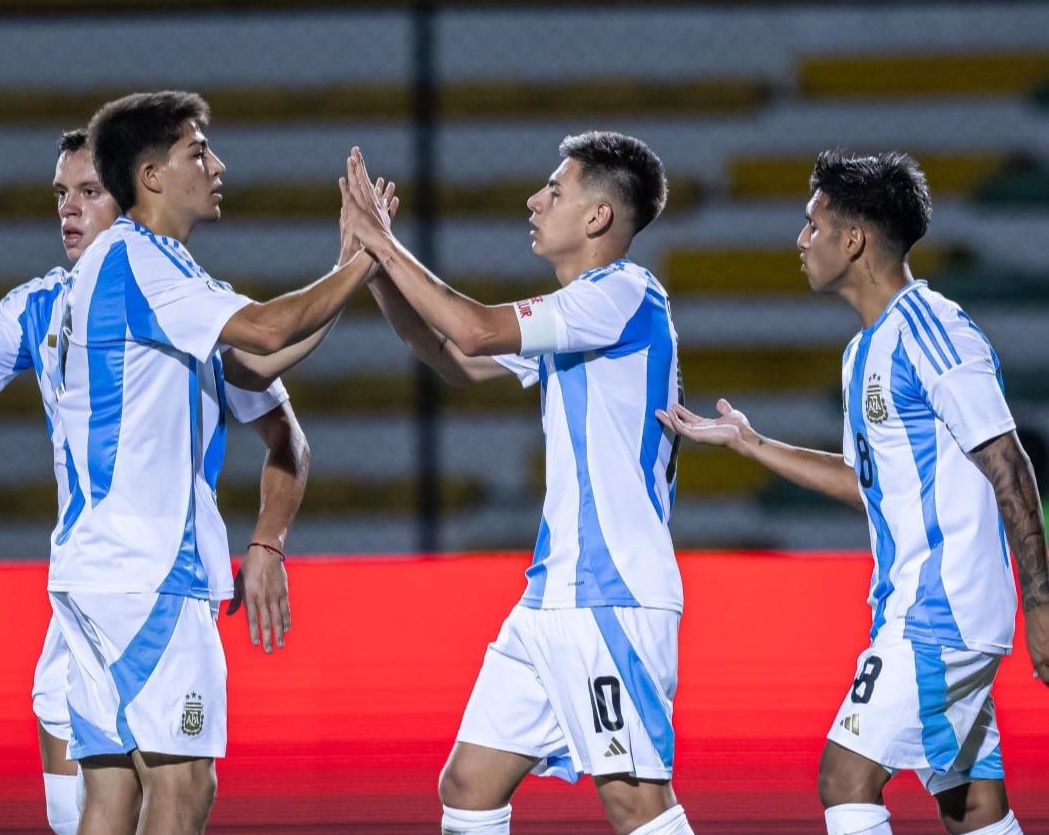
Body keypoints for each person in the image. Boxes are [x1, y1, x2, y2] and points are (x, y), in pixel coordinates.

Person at [0, 129, 307, 835]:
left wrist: (268, 542)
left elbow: (287, 437)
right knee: (85, 811)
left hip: (155, 573)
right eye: (60, 195)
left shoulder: (195, 303)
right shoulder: (41, 304)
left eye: (89, 192)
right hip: (87, 588)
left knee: (167, 789)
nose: (69, 210)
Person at [656, 151, 1049, 835]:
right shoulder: (864, 350)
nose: (800, 240)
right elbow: (870, 485)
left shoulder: (935, 330)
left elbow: (1010, 466)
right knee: (970, 804)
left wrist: (1042, 604)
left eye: (813, 225)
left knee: (845, 775)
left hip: (942, 611)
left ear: (854, 239)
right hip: (918, 606)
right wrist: (754, 444)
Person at [341, 135, 696, 835]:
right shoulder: (584, 316)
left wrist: (385, 245)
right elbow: (447, 356)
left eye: (555, 191)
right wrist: (370, 264)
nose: (535, 201)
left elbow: (471, 331)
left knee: (635, 804)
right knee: (469, 784)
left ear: (599, 218)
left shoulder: (623, 293)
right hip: (553, 596)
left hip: (611, 595)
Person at [52, 91, 385, 835]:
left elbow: (260, 360)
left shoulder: (153, 272)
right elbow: (268, 329)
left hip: (97, 571)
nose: (217, 163)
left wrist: (346, 268)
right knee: (184, 788)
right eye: (197, 150)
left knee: (112, 795)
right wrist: (372, 257)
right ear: (151, 175)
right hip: (148, 572)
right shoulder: (139, 261)